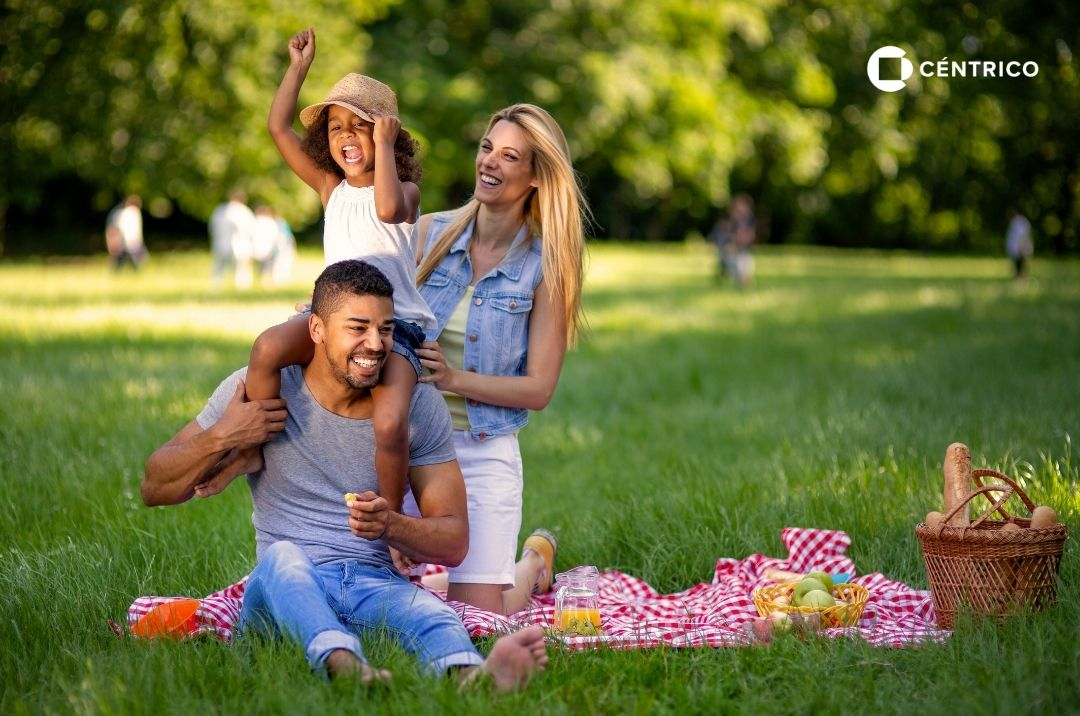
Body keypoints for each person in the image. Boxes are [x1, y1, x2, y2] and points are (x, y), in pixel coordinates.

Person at [141, 259, 548, 688]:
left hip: (373, 583)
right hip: (284, 587)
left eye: (385, 329)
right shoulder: (260, 389)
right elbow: (154, 486)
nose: (375, 344)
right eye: (357, 328)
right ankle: (343, 665)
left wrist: (391, 525)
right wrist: (223, 435)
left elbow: (454, 541)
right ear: (316, 329)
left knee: (432, 613)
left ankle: (473, 676)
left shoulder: (418, 406)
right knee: (284, 557)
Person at [408, 103, 589, 616]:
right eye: (488, 148)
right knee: (368, 594)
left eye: (510, 156)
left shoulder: (545, 265)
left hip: (483, 450)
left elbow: (539, 390)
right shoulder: (429, 234)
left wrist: (453, 378)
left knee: (478, 618)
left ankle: (532, 562)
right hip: (410, 447)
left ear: (535, 177)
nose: (490, 161)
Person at [243, 27, 432, 515]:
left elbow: (388, 209)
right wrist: (298, 69)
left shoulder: (406, 192)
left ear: (386, 134)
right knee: (266, 350)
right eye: (335, 128)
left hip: (395, 328)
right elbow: (278, 128)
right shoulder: (332, 188)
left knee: (389, 423)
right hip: (332, 318)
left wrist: (384, 146)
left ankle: (390, 517)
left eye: (359, 126)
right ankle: (254, 448)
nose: (346, 136)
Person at [208, 191, 256, 289]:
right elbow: (252, 230)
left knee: (220, 266)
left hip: (222, 244)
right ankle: (242, 287)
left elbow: (212, 228)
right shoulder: (244, 211)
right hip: (240, 245)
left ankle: (216, 286)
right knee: (241, 268)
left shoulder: (220, 210)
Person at [708, 193, 756, 288]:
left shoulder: (750, 221)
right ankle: (734, 276)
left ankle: (742, 279)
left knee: (742, 261)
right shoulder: (728, 220)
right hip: (728, 246)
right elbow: (719, 234)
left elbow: (749, 237)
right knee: (730, 256)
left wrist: (739, 241)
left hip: (742, 248)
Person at [105, 195, 147, 271]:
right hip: (128, 240)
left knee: (125, 258)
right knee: (126, 258)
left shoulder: (123, 212)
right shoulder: (129, 213)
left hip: (128, 240)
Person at [251, 205, 281, 286]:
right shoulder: (270, 222)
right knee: (268, 267)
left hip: (257, 248)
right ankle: (266, 282)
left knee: (261, 267)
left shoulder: (255, 221)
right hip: (268, 248)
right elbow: (275, 235)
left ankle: (262, 281)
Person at [1005, 207, 1033, 280]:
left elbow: (1022, 235)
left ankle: (1022, 278)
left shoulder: (1020, 222)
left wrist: (1022, 246)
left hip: (1021, 246)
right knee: (1017, 264)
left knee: (1021, 263)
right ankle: (1019, 278)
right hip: (1017, 248)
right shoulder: (1015, 222)